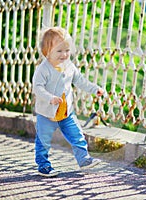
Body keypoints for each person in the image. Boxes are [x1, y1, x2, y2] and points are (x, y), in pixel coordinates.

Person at [32, 27, 104, 177]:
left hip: (66, 112)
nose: (64, 54)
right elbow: (37, 88)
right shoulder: (43, 69)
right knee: (43, 141)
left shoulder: (69, 66)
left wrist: (94, 89)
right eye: (59, 51)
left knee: (77, 135)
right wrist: (49, 97)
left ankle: (84, 160)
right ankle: (43, 165)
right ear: (47, 52)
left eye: (67, 50)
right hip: (46, 113)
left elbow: (80, 81)